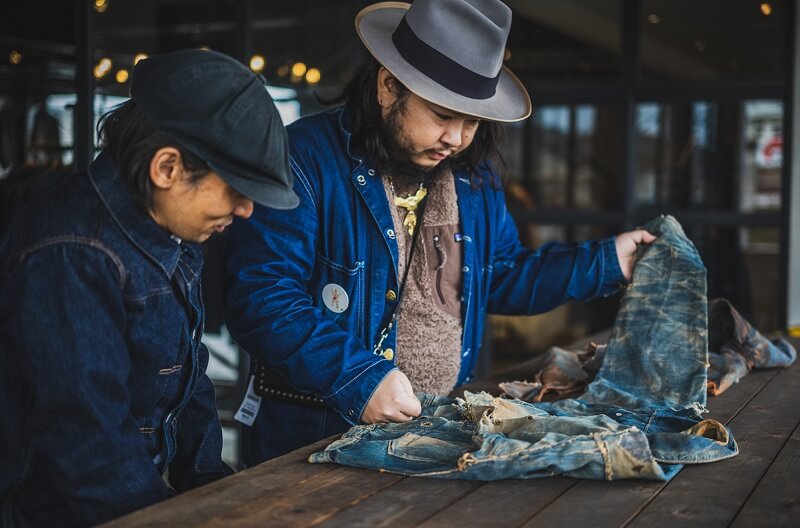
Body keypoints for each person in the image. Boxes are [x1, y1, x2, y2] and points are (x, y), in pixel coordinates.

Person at [224, 0, 654, 466]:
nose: (459, 138)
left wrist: (608, 260)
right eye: (442, 115)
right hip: (313, 437)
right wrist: (356, 377)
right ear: (389, 86)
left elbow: (503, 275)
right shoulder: (303, 157)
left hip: (438, 436)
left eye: (472, 120)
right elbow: (262, 296)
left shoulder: (474, 176)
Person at [0, 49, 297, 526]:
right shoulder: (71, 250)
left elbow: (190, 380)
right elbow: (87, 439)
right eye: (236, 190)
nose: (246, 211)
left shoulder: (171, 230)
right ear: (167, 169)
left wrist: (215, 495)